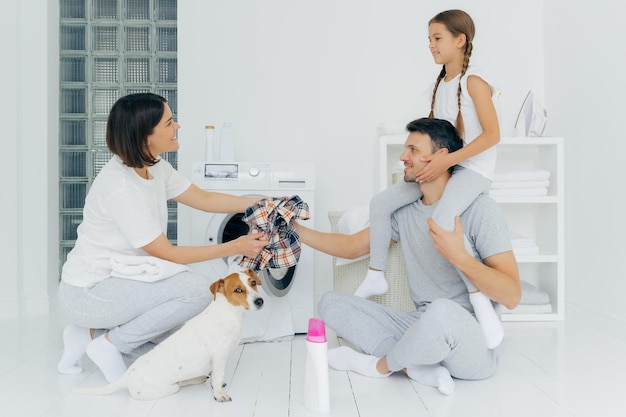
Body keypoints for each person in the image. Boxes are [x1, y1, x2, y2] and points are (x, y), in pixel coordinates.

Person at [294, 118, 520, 395]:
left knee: (443, 312)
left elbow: (512, 296)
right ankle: (417, 366)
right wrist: (294, 230)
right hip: (422, 323)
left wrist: (459, 256)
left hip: (471, 342)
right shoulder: (405, 212)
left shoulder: (481, 210)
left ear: (441, 157)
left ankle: (379, 365)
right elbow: (351, 247)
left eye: (413, 150)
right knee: (331, 303)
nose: (403, 157)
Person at [56, 93, 270, 383]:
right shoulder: (120, 188)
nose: (177, 127)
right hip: (88, 292)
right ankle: (109, 345)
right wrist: (236, 246)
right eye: (169, 122)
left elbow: (203, 198)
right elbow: (166, 253)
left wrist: (263, 203)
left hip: (123, 283)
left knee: (177, 345)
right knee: (198, 291)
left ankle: (87, 336)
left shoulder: (154, 166)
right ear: (145, 138)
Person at [354, 9, 503, 349]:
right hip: (449, 166)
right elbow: (435, 135)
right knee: (382, 203)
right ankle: (375, 276)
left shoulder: (474, 82)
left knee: (439, 219)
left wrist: (446, 162)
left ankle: (481, 304)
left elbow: (492, 135)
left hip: (473, 171)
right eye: (430, 40)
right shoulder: (439, 84)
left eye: (437, 38)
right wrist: (425, 162)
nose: (431, 46)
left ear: (460, 40)